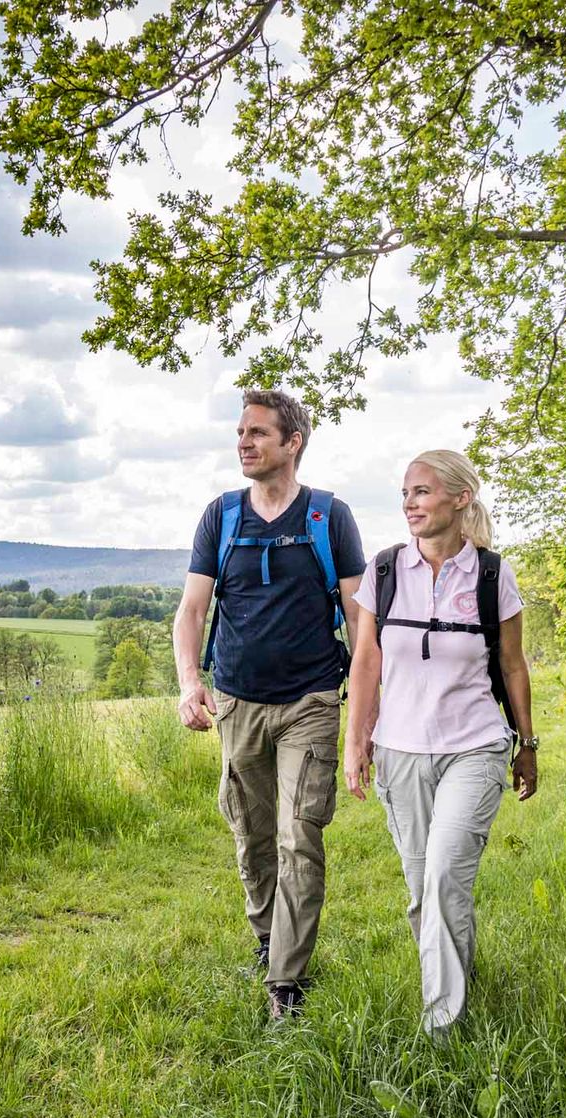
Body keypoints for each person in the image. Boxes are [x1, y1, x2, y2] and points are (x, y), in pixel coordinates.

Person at [172, 388, 366, 1022]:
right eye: (240, 433)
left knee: (298, 835)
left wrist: (367, 705)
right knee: (251, 834)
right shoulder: (221, 517)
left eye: (257, 433)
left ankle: (287, 980)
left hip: (310, 700)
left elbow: (359, 619)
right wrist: (188, 682)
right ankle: (267, 937)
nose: (244, 443)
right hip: (236, 702)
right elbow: (192, 611)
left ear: (293, 443)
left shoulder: (328, 518)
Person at [342, 448, 538, 1037]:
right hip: (400, 750)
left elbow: (513, 664)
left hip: (473, 747)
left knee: (446, 875)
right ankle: (458, 977)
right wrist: (357, 741)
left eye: (422, 492)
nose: (410, 505)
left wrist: (527, 743)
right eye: (405, 494)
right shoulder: (384, 571)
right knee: (422, 888)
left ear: (460, 499)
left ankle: (442, 1028)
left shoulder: (490, 574)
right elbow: (366, 662)